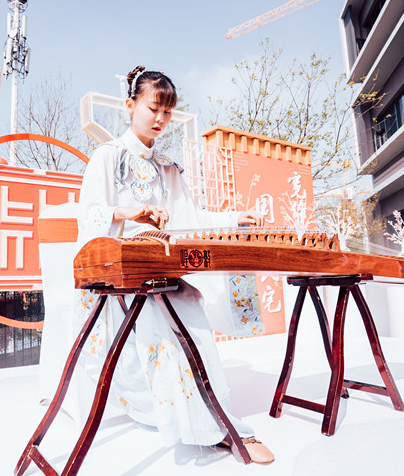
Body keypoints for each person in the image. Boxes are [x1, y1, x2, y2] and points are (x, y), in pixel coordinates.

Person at [73, 65, 274, 464]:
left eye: (168, 112)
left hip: (162, 268)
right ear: (130, 106)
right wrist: (129, 213)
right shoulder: (108, 157)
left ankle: (212, 421)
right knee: (163, 329)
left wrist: (234, 218)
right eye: (153, 109)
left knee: (191, 316)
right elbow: (90, 215)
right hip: (126, 271)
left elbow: (190, 219)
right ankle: (202, 423)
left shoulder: (168, 167)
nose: (161, 119)